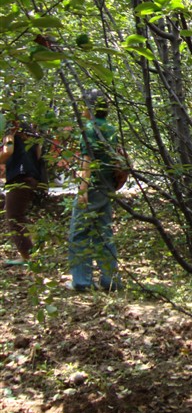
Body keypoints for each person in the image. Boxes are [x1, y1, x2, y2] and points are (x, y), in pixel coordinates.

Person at [67, 90, 123, 292]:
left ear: (89, 107)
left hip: (92, 187)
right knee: (104, 232)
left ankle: (81, 281)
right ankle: (110, 280)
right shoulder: (111, 128)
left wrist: (82, 191)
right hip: (107, 186)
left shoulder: (88, 128)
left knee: (79, 233)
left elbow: (87, 160)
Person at [0, 118, 47, 265]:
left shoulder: (9, 126)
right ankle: (34, 250)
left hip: (20, 177)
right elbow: (39, 154)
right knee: (18, 215)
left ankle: (29, 258)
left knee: (13, 217)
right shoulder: (29, 130)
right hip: (32, 176)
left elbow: (8, 150)